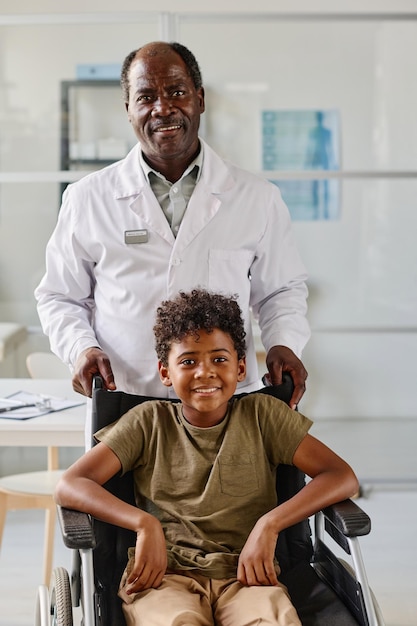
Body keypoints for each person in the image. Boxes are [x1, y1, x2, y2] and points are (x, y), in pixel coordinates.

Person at [55, 289, 358, 626]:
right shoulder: (147, 422)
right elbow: (71, 484)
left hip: (249, 575)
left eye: (219, 359)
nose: (204, 372)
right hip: (163, 578)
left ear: (240, 367)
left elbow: (341, 475)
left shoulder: (265, 416)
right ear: (166, 372)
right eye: (188, 361)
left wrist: (270, 524)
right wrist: (144, 524)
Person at [35, 41, 310, 410]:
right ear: (128, 109)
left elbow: (281, 291)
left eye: (177, 92)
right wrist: (81, 347)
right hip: (125, 398)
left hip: (223, 402)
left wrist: (284, 343)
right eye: (146, 97)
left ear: (200, 98)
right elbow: (60, 296)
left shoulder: (257, 198)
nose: (162, 108)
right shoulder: (87, 198)